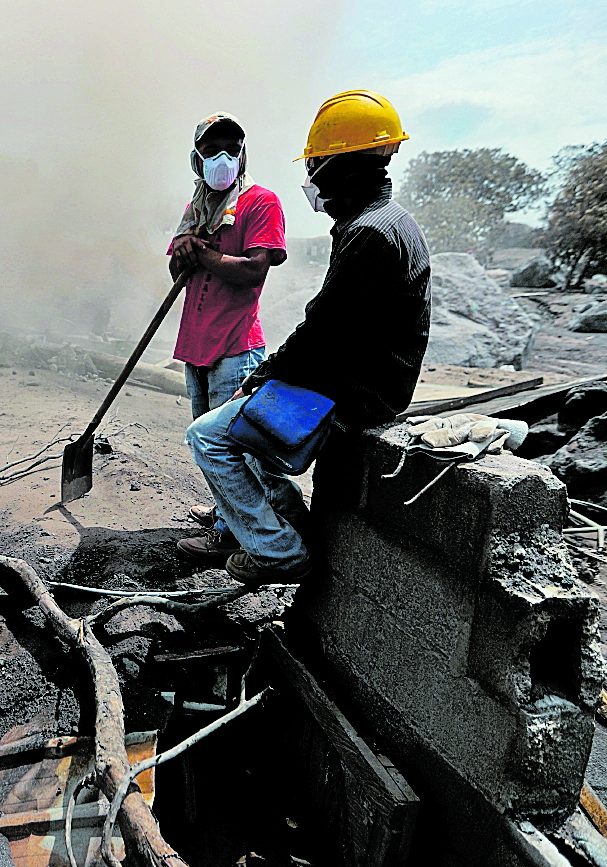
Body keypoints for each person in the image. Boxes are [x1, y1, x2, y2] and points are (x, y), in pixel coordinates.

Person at [184, 90, 431, 585]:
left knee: (208, 437)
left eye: (317, 167)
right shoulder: (384, 223)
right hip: (356, 380)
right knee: (243, 438)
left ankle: (275, 551)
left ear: (344, 168)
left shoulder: (371, 235)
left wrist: (259, 378)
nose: (313, 180)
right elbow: (333, 327)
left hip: (352, 392)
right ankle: (287, 524)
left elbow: (324, 331)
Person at [165, 112, 290, 564]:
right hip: (196, 346)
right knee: (209, 445)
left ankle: (232, 534)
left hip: (235, 346)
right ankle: (225, 512)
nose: (223, 157)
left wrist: (204, 252)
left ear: (243, 154)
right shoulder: (196, 208)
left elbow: (256, 268)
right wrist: (183, 251)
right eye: (212, 149)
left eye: (232, 149)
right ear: (197, 160)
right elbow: (177, 271)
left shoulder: (260, 202)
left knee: (233, 447)